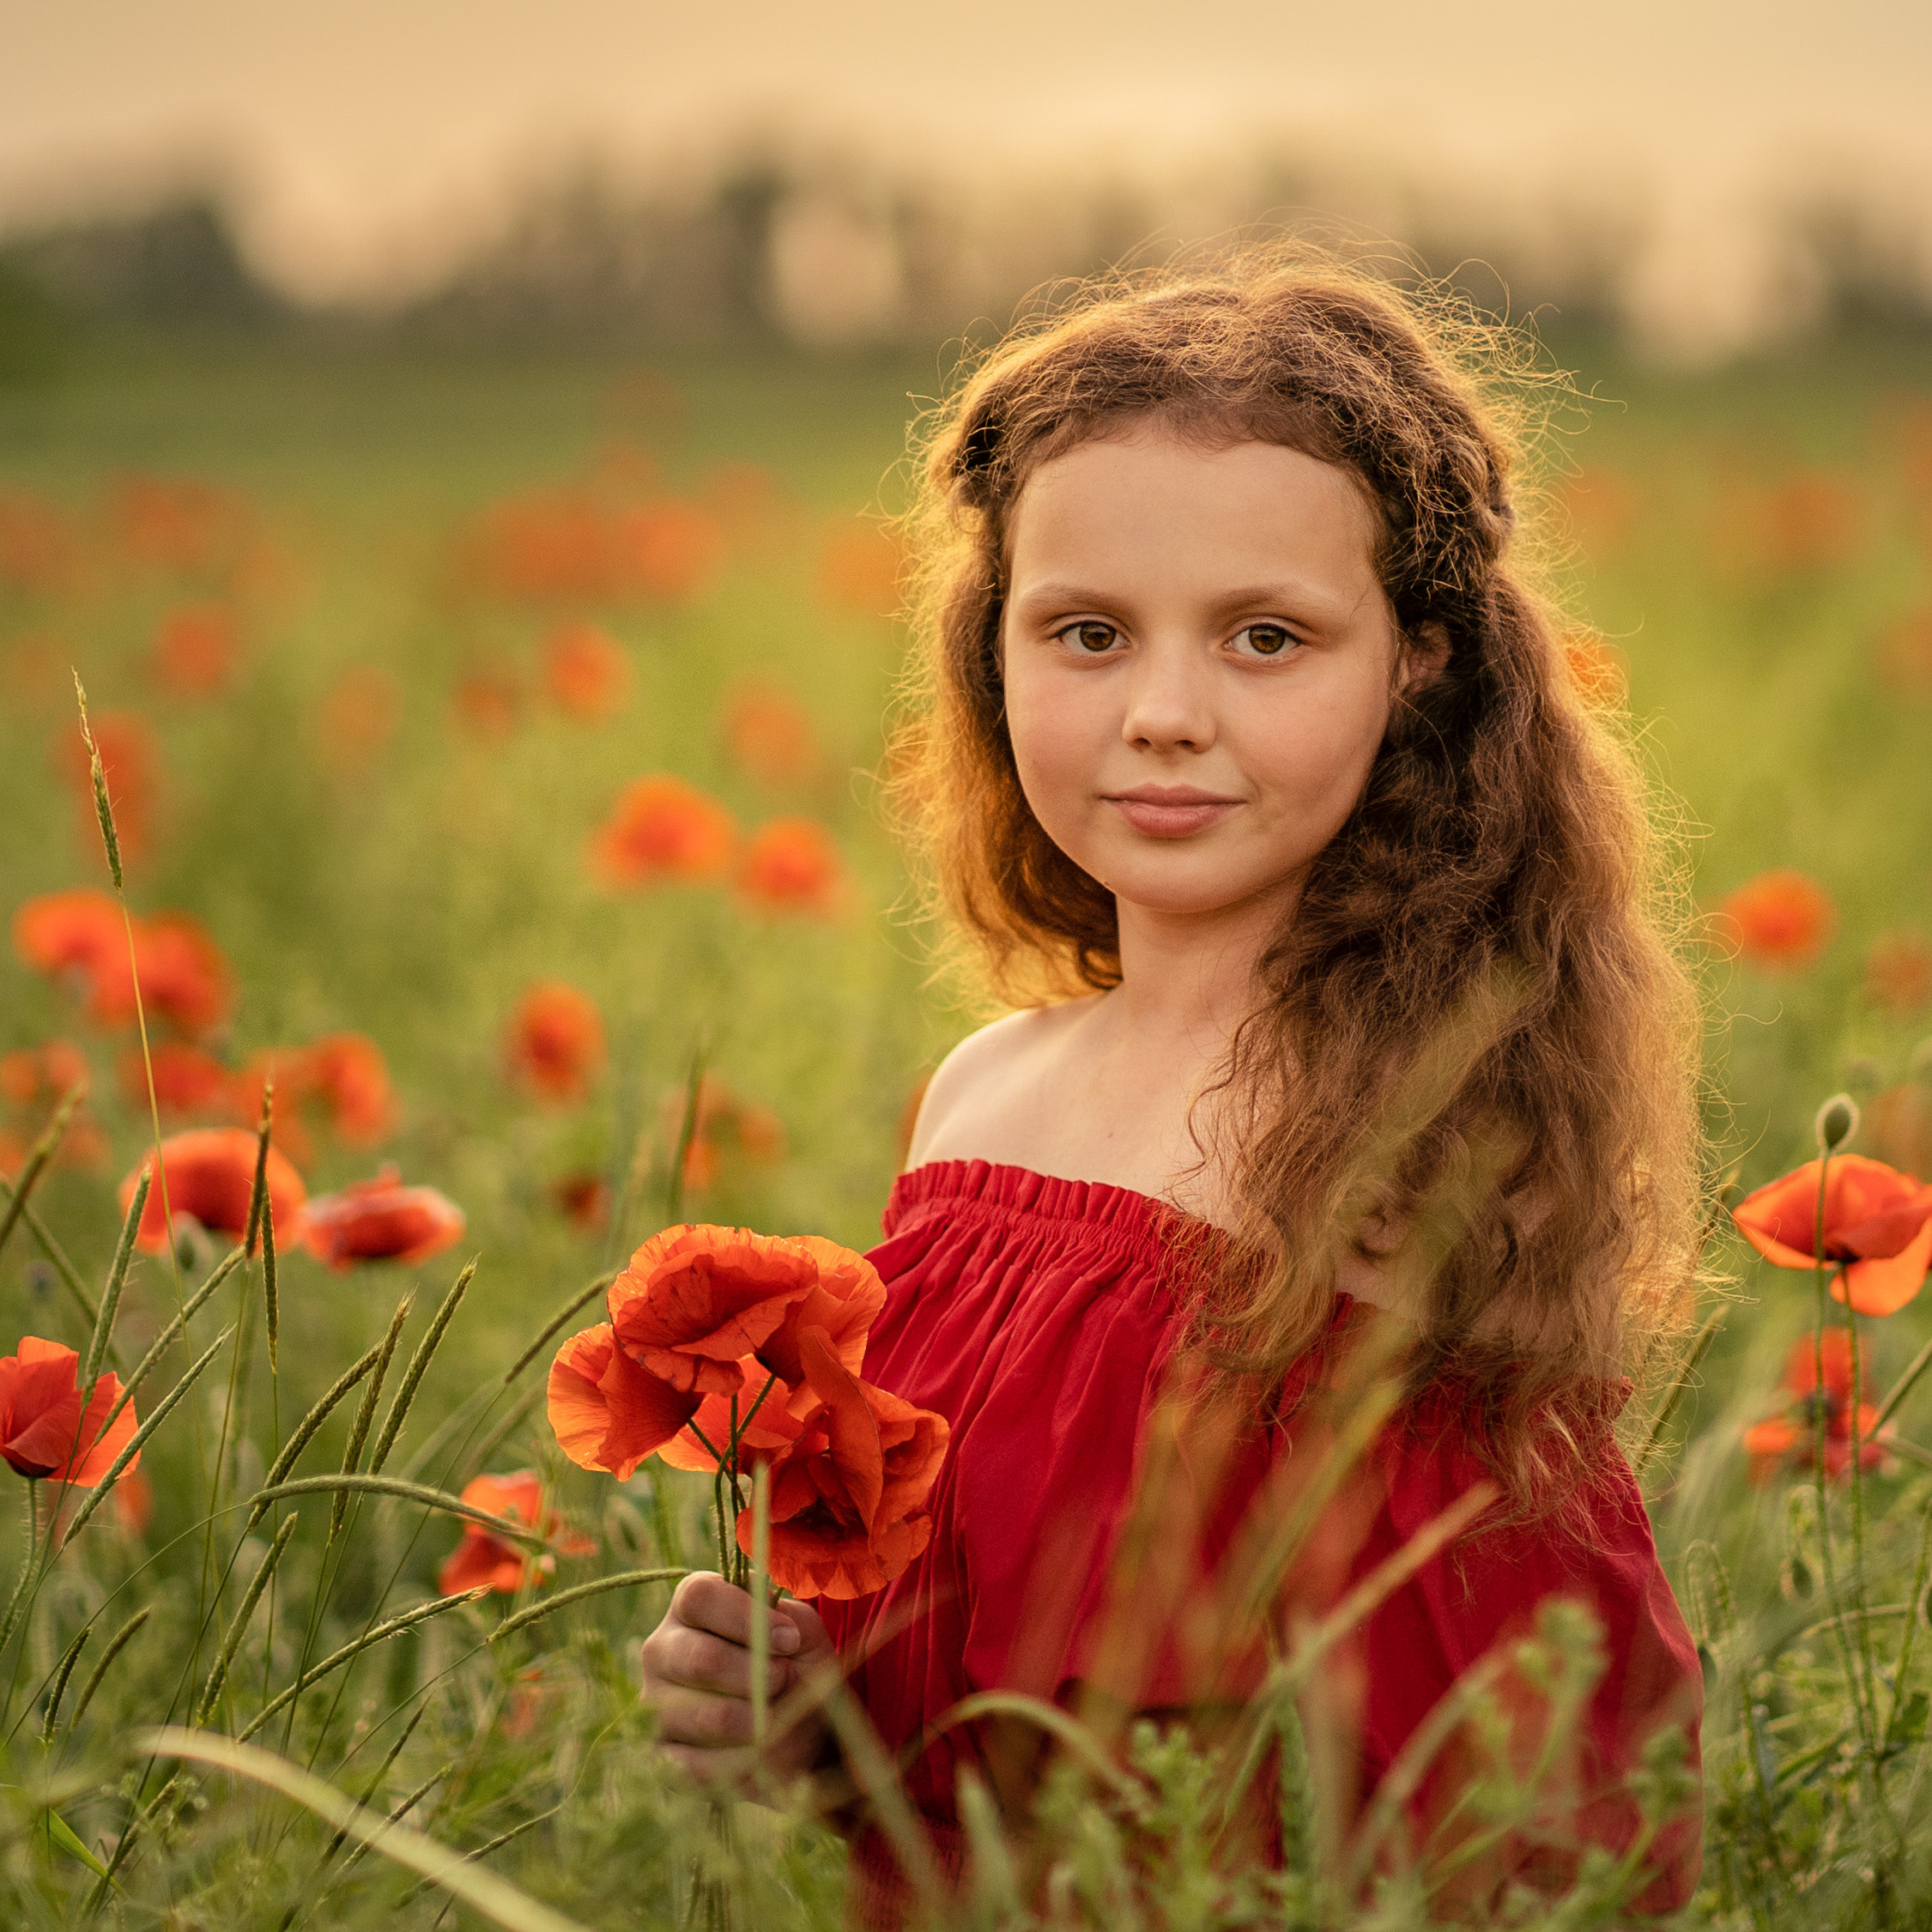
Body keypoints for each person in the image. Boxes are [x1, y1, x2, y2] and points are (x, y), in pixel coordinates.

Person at [640, 250, 1706, 1923]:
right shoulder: (978, 1103)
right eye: (1084, 632)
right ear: (990, 648)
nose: (1159, 714)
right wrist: (795, 1711)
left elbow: (1527, 1793)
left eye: (1265, 638)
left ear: (1417, 661)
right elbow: (965, 1719)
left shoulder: (1406, 1156)